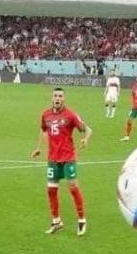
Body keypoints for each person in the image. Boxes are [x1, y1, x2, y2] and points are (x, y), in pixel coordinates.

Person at [30, 87, 92, 236]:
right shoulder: (45, 115)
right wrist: (38, 148)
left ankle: (82, 220)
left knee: (73, 188)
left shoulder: (70, 115)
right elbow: (43, 130)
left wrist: (85, 138)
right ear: (52, 98)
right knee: (51, 190)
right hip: (53, 158)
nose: (57, 98)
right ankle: (56, 221)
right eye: (55, 96)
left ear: (64, 98)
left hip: (68, 157)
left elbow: (88, 129)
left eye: (60, 96)